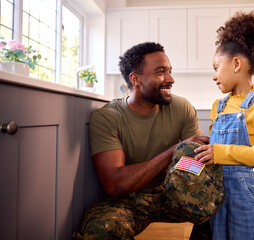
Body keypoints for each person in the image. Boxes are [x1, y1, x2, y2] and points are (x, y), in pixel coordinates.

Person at [75, 42, 211, 240]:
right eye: (160, 72)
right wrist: (176, 150)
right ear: (135, 79)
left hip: (173, 191)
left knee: (219, 207)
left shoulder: (182, 107)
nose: (171, 79)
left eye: (170, 71)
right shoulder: (107, 117)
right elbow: (115, 185)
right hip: (129, 199)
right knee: (100, 230)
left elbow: (198, 159)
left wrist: (250, 159)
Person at [193, 12, 254, 240]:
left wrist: (222, 153)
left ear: (236, 64)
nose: (214, 76)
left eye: (216, 67)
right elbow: (215, 153)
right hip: (219, 198)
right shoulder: (218, 107)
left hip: (249, 202)